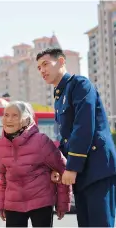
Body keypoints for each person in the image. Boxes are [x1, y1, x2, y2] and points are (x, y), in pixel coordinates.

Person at [36, 48, 116, 227]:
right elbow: (66, 139)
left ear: (62, 62)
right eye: (39, 68)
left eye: (46, 64)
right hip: (81, 171)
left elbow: (84, 126)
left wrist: (72, 167)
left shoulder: (80, 84)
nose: (42, 70)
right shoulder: (60, 96)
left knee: (100, 224)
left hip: (97, 167)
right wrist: (60, 167)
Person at [0, 101, 71, 227]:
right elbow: (3, 178)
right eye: (6, 115)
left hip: (41, 203)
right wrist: (1, 204)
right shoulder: (0, 144)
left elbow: (63, 169)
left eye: (15, 115)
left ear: (26, 119)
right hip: (13, 204)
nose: (9, 119)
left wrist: (62, 203)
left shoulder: (41, 141)